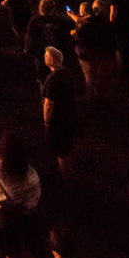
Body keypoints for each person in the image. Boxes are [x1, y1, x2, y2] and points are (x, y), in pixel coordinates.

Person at [0, 131, 43, 258]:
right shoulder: (32, 178)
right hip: (28, 218)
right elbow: (32, 204)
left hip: (4, 216)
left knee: (13, 253)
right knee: (37, 252)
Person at [39, 47, 80, 179]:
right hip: (69, 114)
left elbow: (48, 104)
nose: (44, 58)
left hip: (58, 119)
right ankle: (70, 171)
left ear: (52, 60)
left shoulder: (52, 79)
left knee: (61, 150)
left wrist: (46, 121)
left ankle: (65, 177)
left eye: (46, 56)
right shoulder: (66, 73)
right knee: (68, 146)